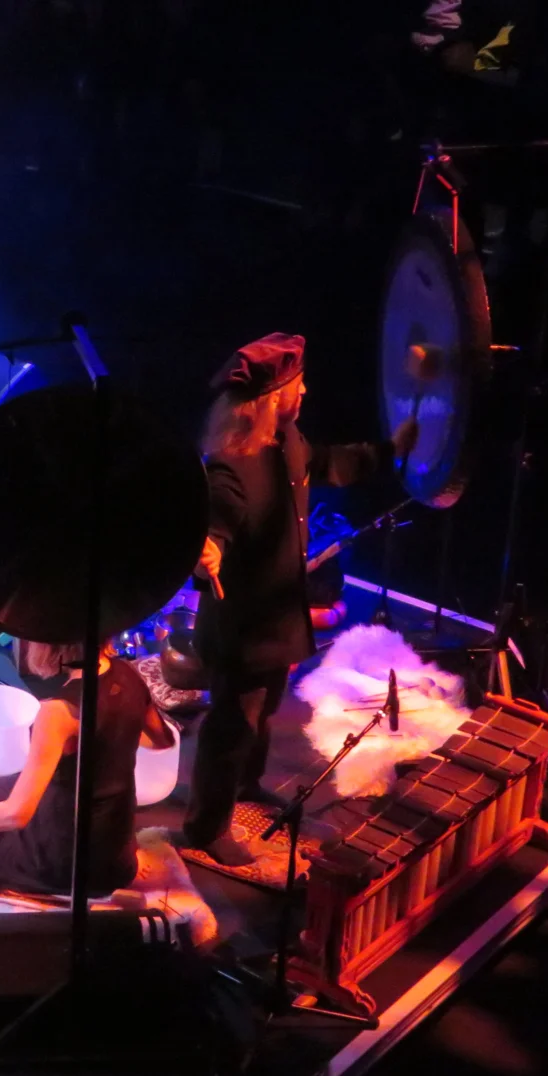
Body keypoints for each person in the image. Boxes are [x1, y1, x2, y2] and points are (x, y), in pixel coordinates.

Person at [182, 333, 415, 867]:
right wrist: (209, 551)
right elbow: (214, 521)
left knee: (261, 715)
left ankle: (247, 786)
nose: (306, 389)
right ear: (271, 397)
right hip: (242, 627)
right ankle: (204, 828)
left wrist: (388, 451)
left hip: (277, 614)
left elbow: (330, 462)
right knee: (231, 726)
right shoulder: (230, 465)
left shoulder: (287, 440)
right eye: (298, 382)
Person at [0, 643, 174, 897]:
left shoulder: (57, 711)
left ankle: (28, 878)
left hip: (70, 865)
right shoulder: (128, 673)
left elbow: (16, 815)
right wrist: (108, 732)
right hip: (115, 846)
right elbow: (161, 740)